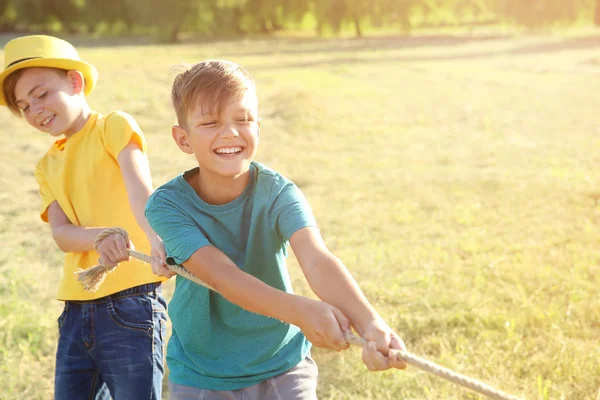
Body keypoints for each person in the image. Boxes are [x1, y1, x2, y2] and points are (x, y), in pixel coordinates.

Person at [145, 59, 408, 400]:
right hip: (202, 374)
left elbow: (316, 260)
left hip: (284, 366)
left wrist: (371, 324)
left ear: (258, 126)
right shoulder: (167, 205)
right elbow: (223, 276)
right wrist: (302, 311)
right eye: (210, 122)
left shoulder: (278, 192)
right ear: (183, 139)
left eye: (243, 119)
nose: (230, 132)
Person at [0, 35, 173, 399]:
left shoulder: (113, 127)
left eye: (42, 93)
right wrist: (99, 237)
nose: (35, 110)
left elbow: (141, 192)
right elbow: (62, 234)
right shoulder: (46, 165)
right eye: (24, 105)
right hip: (76, 309)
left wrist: (156, 239)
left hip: (132, 300)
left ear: (75, 82)